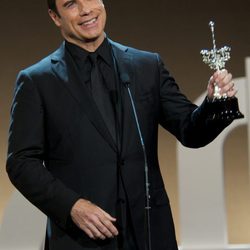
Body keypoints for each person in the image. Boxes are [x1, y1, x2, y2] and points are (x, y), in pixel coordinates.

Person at [6, 0, 238, 250]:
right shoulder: (37, 81)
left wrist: (214, 103)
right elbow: (21, 162)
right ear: (55, 16)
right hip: (82, 238)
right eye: (71, 4)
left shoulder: (147, 66)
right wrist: (72, 206)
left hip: (149, 233)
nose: (86, 10)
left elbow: (191, 131)